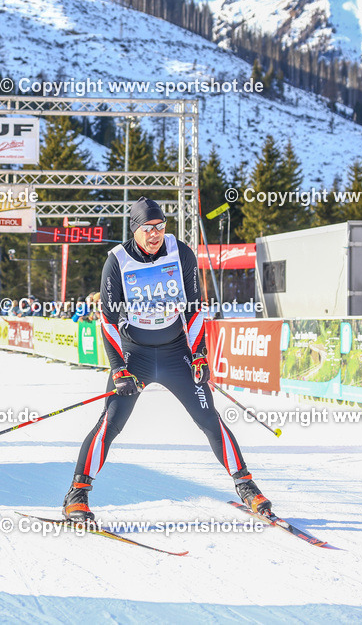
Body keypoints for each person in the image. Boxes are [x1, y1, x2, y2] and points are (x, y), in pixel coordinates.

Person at [62, 197, 271, 523]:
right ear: (135, 230)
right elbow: (108, 321)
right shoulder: (117, 261)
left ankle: (247, 487)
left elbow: (193, 308)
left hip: (177, 354)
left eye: (160, 226)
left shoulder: (181, 252)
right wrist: (119, 369)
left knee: (209, 419)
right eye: (148, 228)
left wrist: (200, 355)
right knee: (110, 423)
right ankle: (77, 495)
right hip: (136, 355)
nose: (156, 233)